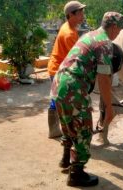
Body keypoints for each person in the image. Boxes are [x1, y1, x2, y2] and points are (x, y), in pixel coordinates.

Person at [50, 11, 123, 187]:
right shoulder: (105, 43)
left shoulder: (90, 35)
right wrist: (109, 108)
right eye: (119, 29)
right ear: (114, 27)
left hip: (59, 83)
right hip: (73, 88)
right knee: (84, 131)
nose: (119, 33)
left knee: (69, 124)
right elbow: (104, 79)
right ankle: (76, 174)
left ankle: (65, 161)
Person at [47, 0, 86, 140]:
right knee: (64, 101)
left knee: (56, 99)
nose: (83, 15)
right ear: (70, 14)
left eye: (83, 12)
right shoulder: (69, 33)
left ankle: (54, 130)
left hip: (56, 66)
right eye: (80, 13)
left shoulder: (69, 26)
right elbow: (75, 58)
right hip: (58, 69)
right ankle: (63, 130)